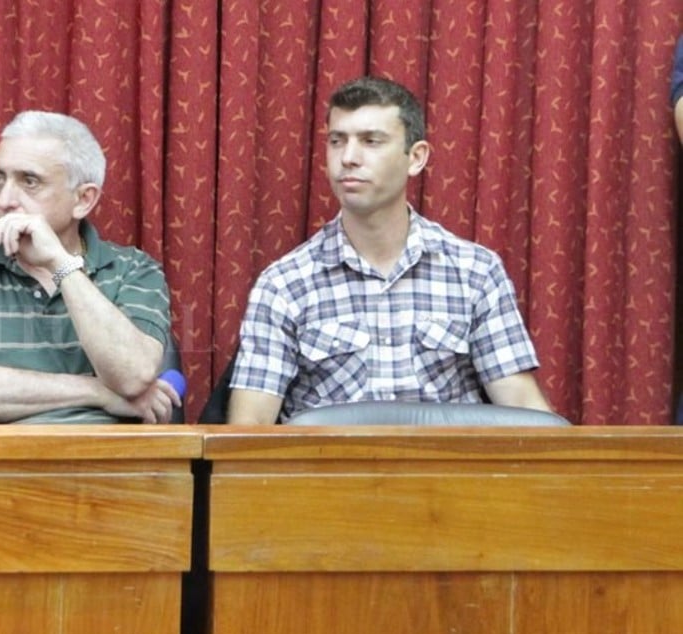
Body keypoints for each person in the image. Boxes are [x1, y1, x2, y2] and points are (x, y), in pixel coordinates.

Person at [227, 76, 554, 424]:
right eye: (337, 141)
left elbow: (525, 413)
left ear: (416, 158)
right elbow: (249, 430)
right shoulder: (284, 284)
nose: (348, 158)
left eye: (371, 141)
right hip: (330, 461)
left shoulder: (475, 272)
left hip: (446, 459)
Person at [0, 110, 179, 424]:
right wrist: (98, 392)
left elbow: (132, 377)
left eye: (30, 182)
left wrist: (61, 264)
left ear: (83, 200)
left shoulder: (133, 270)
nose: (4, 200)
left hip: (109, 453)